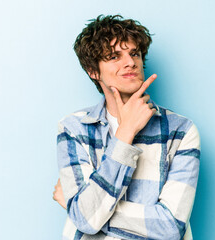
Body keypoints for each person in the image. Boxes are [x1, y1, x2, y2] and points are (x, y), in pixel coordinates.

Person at [53, 15, 200, 240]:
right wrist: (125, 133)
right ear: (93, 71)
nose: (130, 62)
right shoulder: (73, 129)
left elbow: (170, 228)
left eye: (134, 53)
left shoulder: (181, 131)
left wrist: (85, 210)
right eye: (114, 56)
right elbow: (85, 220)